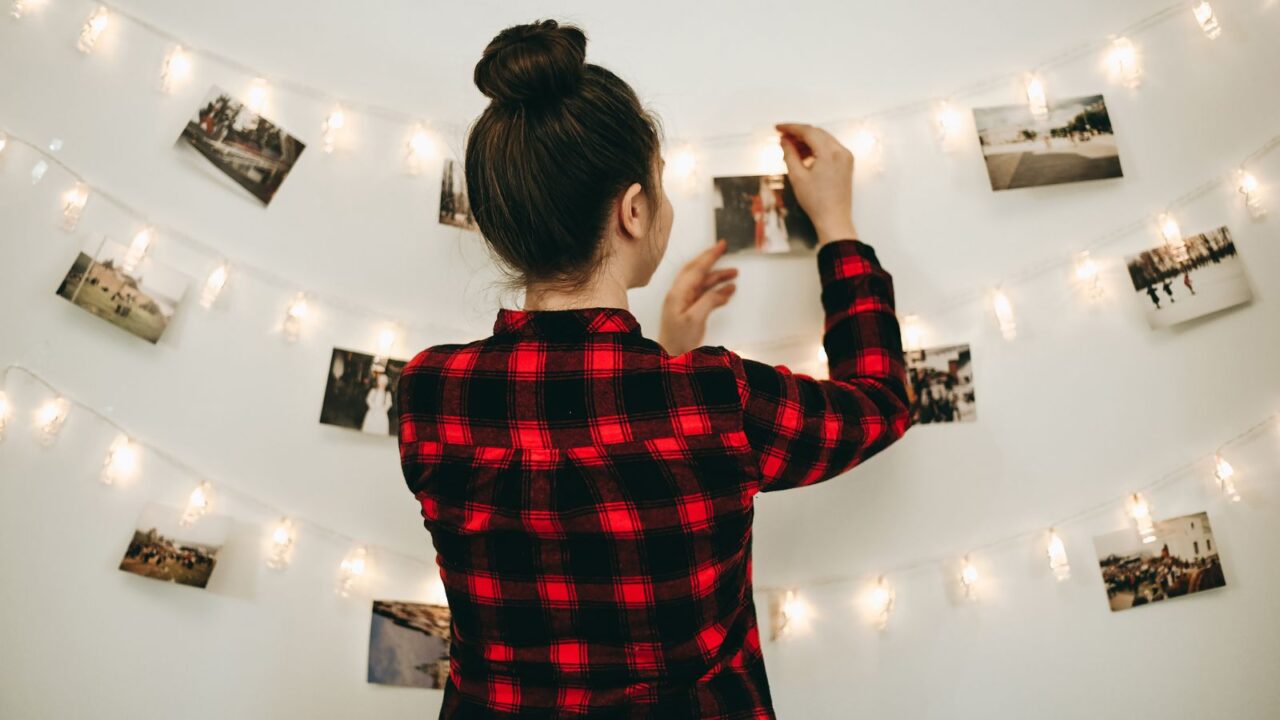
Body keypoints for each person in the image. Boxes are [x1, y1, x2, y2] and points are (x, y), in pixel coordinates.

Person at [396, 20, 912, 719]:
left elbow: (570, 473)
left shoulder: (429, 395)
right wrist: (838, 227)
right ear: (635, 210)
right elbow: (880, 401)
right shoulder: (713, 399)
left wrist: (667, 352)